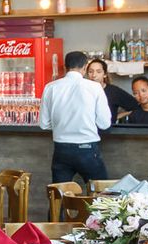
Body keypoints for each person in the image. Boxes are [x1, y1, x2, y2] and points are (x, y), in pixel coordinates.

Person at [39, 50, 111, 187]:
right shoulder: (95, 87)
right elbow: (104, 123)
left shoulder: (50, 87)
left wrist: (61, 125)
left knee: (58, 196)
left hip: (61, 149)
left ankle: (57, 209)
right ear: (85, 67)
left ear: (65, 67)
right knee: (101, 195)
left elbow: (43, 124)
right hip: (88, 148)